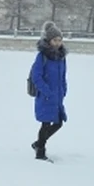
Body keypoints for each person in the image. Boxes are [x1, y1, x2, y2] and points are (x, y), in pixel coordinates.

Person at [30, 20, 68, 161]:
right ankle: (40, 152)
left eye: (60, 40)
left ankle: (38, 143)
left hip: (57, 96)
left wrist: (64, 89)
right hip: (46, 95)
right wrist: (46, 91)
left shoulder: (61, 57)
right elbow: (36, 76)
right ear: (49, 40)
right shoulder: (42, 56)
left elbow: (63, 76)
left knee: (58, 123)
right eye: (55, 40)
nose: (58, 43)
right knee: (45, 123)